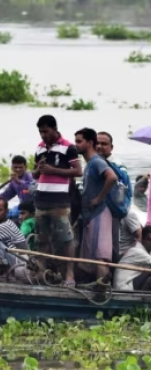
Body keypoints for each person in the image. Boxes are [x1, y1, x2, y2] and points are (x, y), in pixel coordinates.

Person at [33, 115, 82, 286]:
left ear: (55, 129)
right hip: (41, 200)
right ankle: (42, 273)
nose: (43, 135)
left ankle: (70, 275)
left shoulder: (68, 147)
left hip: (60, 202)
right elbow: (34, 174)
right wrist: (38, 170)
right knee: (42, 239)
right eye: (40, 132)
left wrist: (53, 170)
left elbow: (78, 171)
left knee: (67, 239)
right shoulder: (39, 148)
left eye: (45, 131)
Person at [75, 128, 119, 283]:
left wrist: (98, 199)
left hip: (99, 213)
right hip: (91, 216)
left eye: (79, 141)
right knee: (91, 256)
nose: (76, 145)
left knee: (100, 257)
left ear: (89, 143)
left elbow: (112, 177)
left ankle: (103, 292)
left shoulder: (96, 162)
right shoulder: (89, 164)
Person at [113, 225, 151, 292]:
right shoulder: (137, 251)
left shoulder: (148, 253)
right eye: (149, 239)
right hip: (123, 288)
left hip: (131, 284)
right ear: (142, 240)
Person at [0, 198, 27, 268]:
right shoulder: (8, 222)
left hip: (19, 262)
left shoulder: (5, 226)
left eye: (0, 210)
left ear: (7, 211)